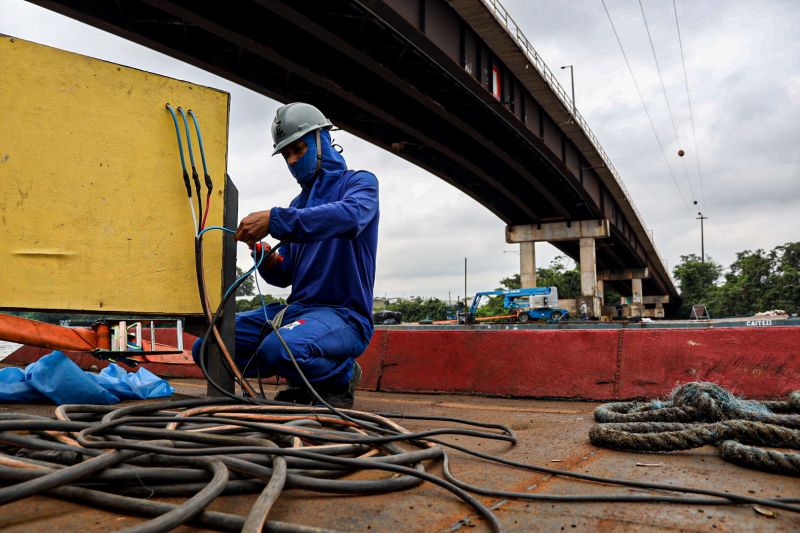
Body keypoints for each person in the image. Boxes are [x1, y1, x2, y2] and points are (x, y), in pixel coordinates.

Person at [193, 102, 379, 408]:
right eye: (286, 155)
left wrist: (276, 220)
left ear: (322, 140)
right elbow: (285, 275)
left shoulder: (359, 184)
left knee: (280, 348)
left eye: (299, 149)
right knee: (208, 347)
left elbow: (350, 217)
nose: (293, 160)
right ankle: (306, 379)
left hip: (344, 316)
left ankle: (341, 375)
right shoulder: (297, 205)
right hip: (298, 312)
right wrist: (266, 258)